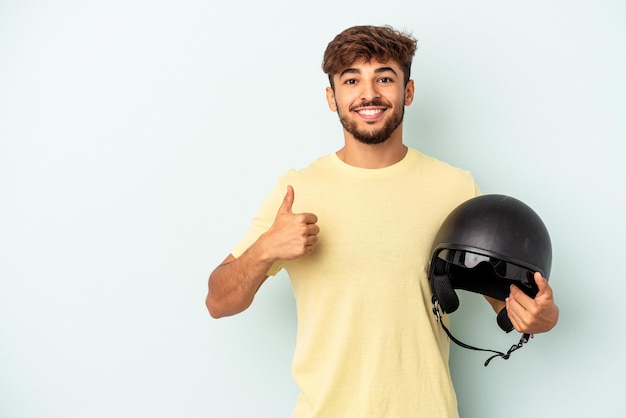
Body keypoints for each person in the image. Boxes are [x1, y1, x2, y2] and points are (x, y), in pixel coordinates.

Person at [206, 25, 559, 418]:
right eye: (351, 79)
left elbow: (508, 304)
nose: (368, 94)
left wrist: (539, 317)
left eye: (384, 78)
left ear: (407, 91)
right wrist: (265, 248)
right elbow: (219, 301)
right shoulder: (296, 190)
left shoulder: (453, 186)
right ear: (331, 97)